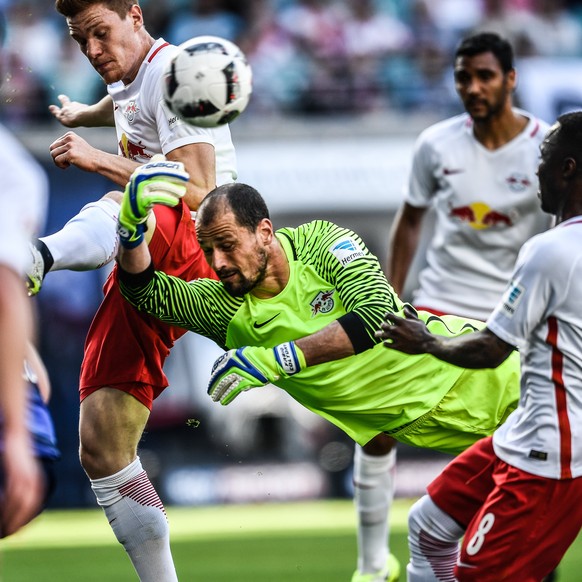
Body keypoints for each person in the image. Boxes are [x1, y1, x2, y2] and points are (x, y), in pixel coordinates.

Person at [113, 165, 523, 580]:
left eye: (227, 244)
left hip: (492, 377)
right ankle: (376, 567)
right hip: (442, 428)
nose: (217, 262)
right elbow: (145, 292)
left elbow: (378, 315)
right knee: (438, 540)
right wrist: (130, 233)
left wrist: (278, 360)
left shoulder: (320, 241)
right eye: (208, 250)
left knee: (492, 551)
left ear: (265, 232)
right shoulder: (223, 307)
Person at [27, 1, 236, 580]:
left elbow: (198, 191)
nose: (92, 51)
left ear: (136, 16)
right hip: (155, 254)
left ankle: (39, 257)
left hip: (205, 246)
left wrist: (95, 159)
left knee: (133, 202)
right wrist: (81, 113)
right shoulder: (129, 76)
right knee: (101, 445)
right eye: (79, 40)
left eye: (101, 33)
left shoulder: (180, 77)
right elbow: (120, 105)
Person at [349, 31, 553, 582]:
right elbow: (410, 219)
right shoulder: (436, 144)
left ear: (510, 79)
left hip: (508, 315)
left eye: (485, 75)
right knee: (378, 420)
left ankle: (528, 558)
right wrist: (385, 300)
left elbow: (560, 236)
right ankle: (372, 565)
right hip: (440, 301)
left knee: (522, 443)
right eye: (463, 76)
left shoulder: (546, 148)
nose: (473, 87)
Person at [376, 110, 582, 581]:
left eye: (544, 159)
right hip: (526, 434)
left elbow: (491, 350)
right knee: (427, 525)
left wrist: (425, 342)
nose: (536, 171)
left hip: (550, 456)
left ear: (567, 168)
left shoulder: (550, 251)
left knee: (478, 576)